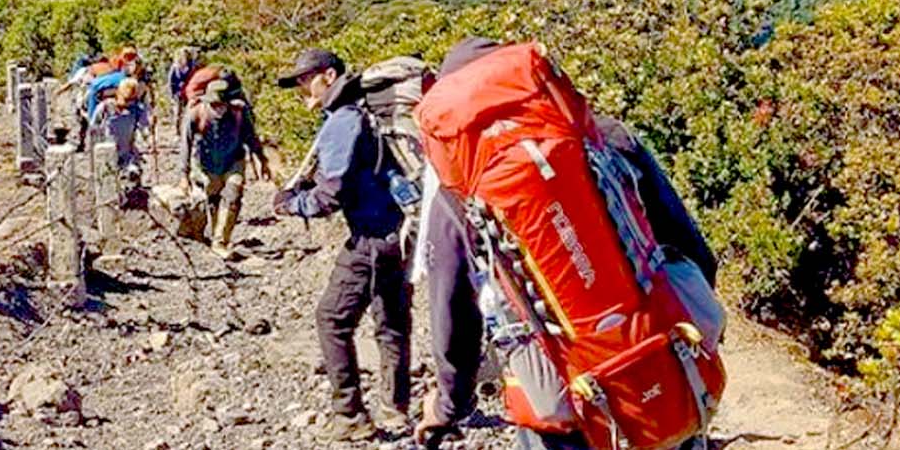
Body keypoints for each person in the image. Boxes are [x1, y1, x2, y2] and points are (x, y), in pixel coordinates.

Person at [412, 37, 719, 450]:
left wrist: (448, 405)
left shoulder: (458, 192)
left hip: (562, 399)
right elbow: (691, 249)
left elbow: (453, 310)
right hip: (660, 367)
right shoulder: (606, 138)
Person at [273, 48, 412, 441]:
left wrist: (292, 205)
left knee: (332, 319)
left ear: (329, 75)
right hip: (403, 232)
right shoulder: (366, 112)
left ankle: (351, 415)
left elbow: (329, 196)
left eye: (305, 78)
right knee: (392, 323)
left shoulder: (343, 121)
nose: (301, 87)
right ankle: (396, 408)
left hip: (370, 236)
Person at [185, 77, 269, 259]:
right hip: (207, 164)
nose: (219, 109)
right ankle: (215, 234)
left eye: (222, 104)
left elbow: (250, 137)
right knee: (213, 200)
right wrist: (184, 174)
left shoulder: (239, 112)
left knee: (233, 196)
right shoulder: (195, 113)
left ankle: (220, 241)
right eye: (214, 105)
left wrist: (262, 160)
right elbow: (186, 144)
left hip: (234, 160)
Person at [90, 77, 151, 184]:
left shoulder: (137, 110)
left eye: (132, 100)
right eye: (126, 99)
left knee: (134, 176)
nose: (128, 104)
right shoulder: (105, 108)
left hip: (128, 153)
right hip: (106, 152)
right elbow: (93, 129)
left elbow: (144, 129)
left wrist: (149, 136)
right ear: (118, 93)